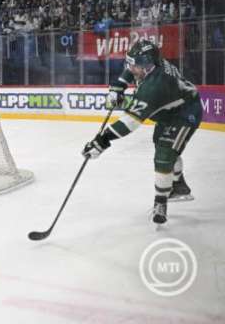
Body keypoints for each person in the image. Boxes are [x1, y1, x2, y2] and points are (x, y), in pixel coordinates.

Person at [83, 40, 202, 224]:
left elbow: (130, 122)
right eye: (130, 62)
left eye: (134, 65)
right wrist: (118, 87)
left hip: (185, 113)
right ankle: (179, 185)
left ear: (147, 66)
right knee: (164, 147)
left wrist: (103, 140)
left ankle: (161, 203)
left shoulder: (155, 86)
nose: (130, 68)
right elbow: (130, 72)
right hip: (169, 110)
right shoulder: (152, 64)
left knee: (165, 153)